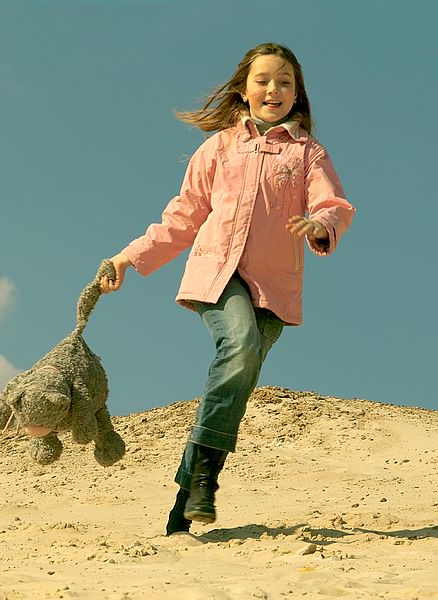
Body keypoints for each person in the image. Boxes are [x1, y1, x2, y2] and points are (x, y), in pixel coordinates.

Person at [99, 42, 356, 535]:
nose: (273, 89)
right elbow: (182, 216)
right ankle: (206, 480)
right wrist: (126, 257)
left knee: (237, 380)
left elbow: (333, 203)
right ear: (244, 89)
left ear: (297, 94)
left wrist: (320, 224)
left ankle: (185, 501)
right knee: (238, 347)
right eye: (263, 80)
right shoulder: (217, 147)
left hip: (274, 287)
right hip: (217, 274)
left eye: (285, 82)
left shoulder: (307, 152)